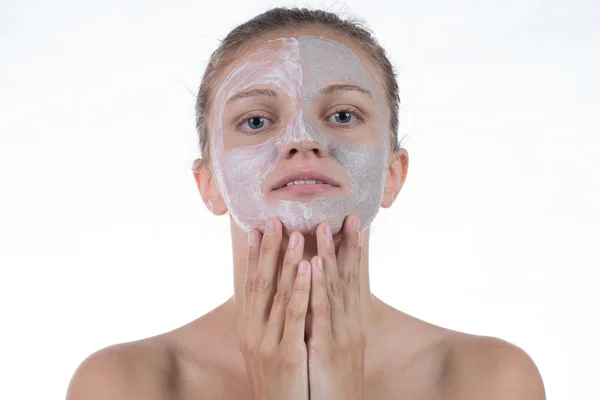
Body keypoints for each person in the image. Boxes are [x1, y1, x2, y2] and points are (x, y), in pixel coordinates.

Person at [66, 7, 545, 400]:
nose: (302, 140)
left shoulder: (487, 380)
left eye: (341, 114)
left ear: (392, 175)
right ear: (208, 183)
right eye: (256, 121)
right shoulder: (123, 384)